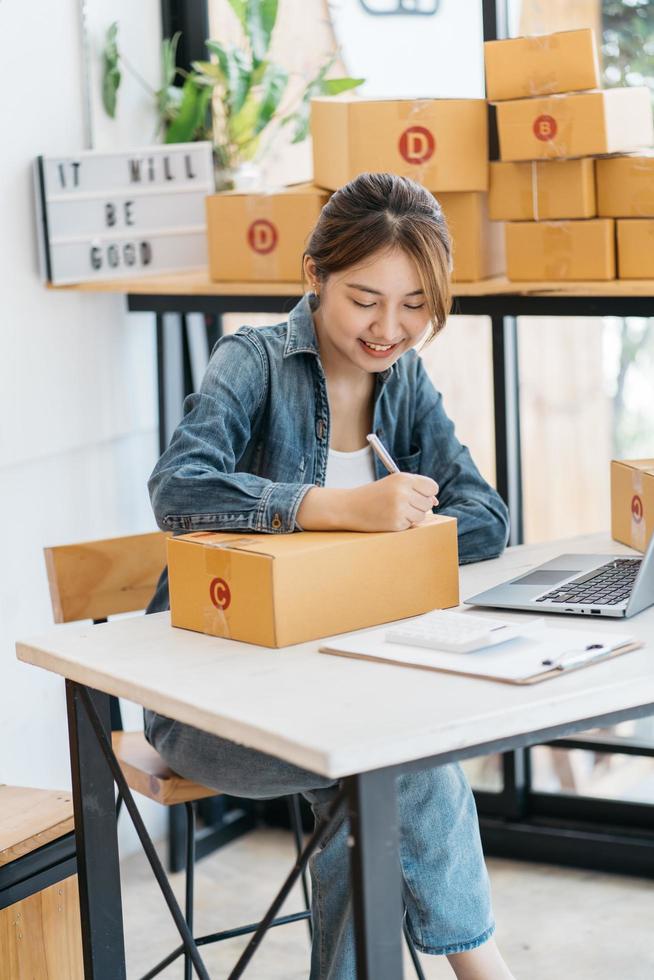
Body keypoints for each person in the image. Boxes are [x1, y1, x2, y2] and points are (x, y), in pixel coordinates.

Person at [144, 172, 514, 979]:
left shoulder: (402, 379)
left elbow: (486, 517)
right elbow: (177, 490)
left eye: (416, 304)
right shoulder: (254, 360)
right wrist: (333, 510)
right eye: (364, 299)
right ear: (313, 275)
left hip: (345, 685)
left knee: (373, 772)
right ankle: (485, 968)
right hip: (209, 700)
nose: (389, 328)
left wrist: (401, 538)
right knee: (386, 764)